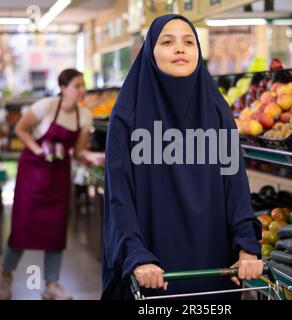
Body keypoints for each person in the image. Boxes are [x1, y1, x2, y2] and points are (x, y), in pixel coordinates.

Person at [102, 14, 263, 300]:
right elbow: (119, 197)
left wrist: (247, 245)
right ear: (150, 52)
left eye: (189, 42)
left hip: (213, 271)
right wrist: (136, 255)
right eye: (167, 42)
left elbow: (235, 186)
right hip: (151, 273)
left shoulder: (217, 112)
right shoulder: (127, 115)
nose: (180, 49)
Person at [0, 68, 104, 300]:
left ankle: (51, 285)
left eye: (83, 85)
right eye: (77, 85)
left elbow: (79, 152)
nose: (82, 90)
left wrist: (92, 157)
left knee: (55, 232)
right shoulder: (46, 106)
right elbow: (20, 129)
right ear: (63, 88)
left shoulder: (83, 116)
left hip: (59, 178)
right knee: (21, 229)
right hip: (32, 176)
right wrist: (37, 150)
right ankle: (5, 279)